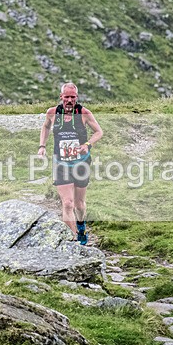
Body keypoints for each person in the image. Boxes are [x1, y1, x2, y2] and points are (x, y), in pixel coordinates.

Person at [38, 83, 103, 245]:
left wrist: (87, 145)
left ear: (77, 98)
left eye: (72, 97)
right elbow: (45, 127)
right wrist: (42, 146)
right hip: (61, 163)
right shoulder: (52, 113)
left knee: (79, 205)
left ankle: (81, 225)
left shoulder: (84, 113)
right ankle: (72, 240)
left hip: (81, 163)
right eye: (66, 97)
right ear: (61, 97)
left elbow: (99, 132)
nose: (69, 100)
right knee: (68, 203)